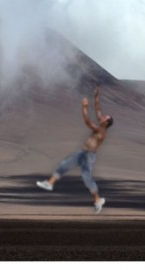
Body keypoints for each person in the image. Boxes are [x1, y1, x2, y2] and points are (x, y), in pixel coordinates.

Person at [37, 85, 114, 213]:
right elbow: (98, 109)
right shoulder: (102, 125)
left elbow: (88, 122)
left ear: (107, 122)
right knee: (63, 165)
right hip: (82, 153)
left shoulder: (101, 130)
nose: (102, 116)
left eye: (105, 117)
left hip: (88, 156)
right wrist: (96, 96)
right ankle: (49, 183)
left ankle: (97, 200)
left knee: (87, 178)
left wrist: (84, 107)